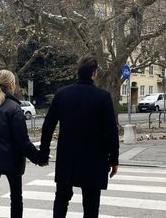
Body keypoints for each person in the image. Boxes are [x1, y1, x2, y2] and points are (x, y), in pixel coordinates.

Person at [39, 55, 119, 218]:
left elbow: (48, 126)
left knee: (61, 198)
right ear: (94, 73)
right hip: (94, 158)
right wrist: (114, 159)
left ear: (78, 72)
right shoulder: (102, 97)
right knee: (91, 204)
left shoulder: (62, 94)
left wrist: (44, 153)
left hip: (67, 157)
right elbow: (111, 131)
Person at [0, 69, 46, 218]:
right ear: (12, 84)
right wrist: (39, 158)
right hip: (11, 160)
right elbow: (22, 142)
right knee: (16, 200)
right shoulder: (14, 108)